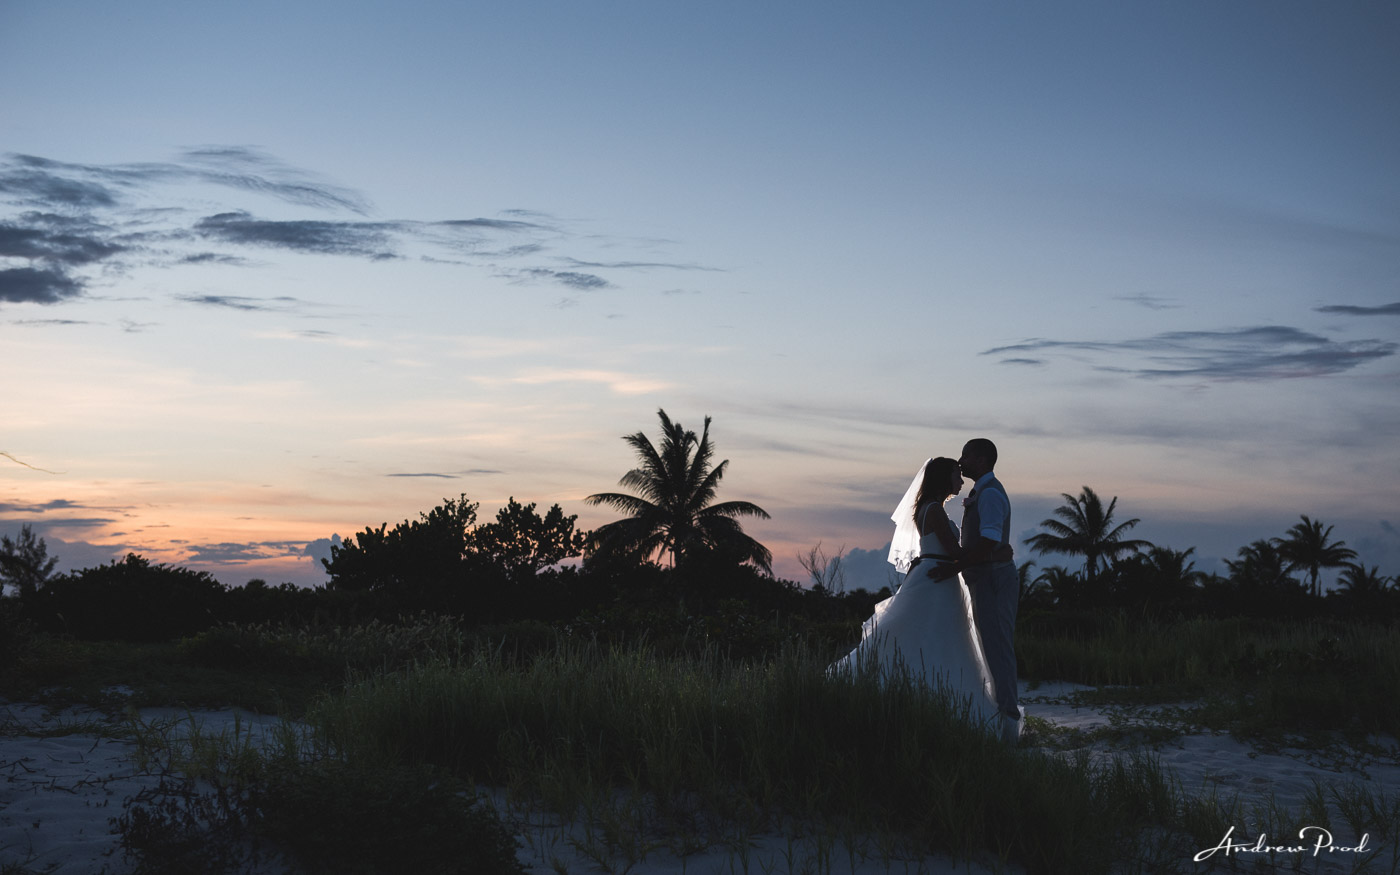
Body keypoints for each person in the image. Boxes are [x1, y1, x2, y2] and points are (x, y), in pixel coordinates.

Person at [831, 457, 999, 729]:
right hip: (939, 577)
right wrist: (990, 548)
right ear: (944, 479)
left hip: (934, 573)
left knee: (933, 638)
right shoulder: (933, 510)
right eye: (956, 475)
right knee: (938, 640)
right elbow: (954, 552)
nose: (961, 480)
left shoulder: (928, 508)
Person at [932, 439, 1023, 745]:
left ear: (981, 459)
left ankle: (1010, 722)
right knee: (990, 647)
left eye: (966, 455)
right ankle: (1002, 715)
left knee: (998, 649)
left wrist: (954, 569)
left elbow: (987, 541)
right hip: (984, 578)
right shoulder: (980, 493)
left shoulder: (991, 494)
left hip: (995, 580)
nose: (961, 461)